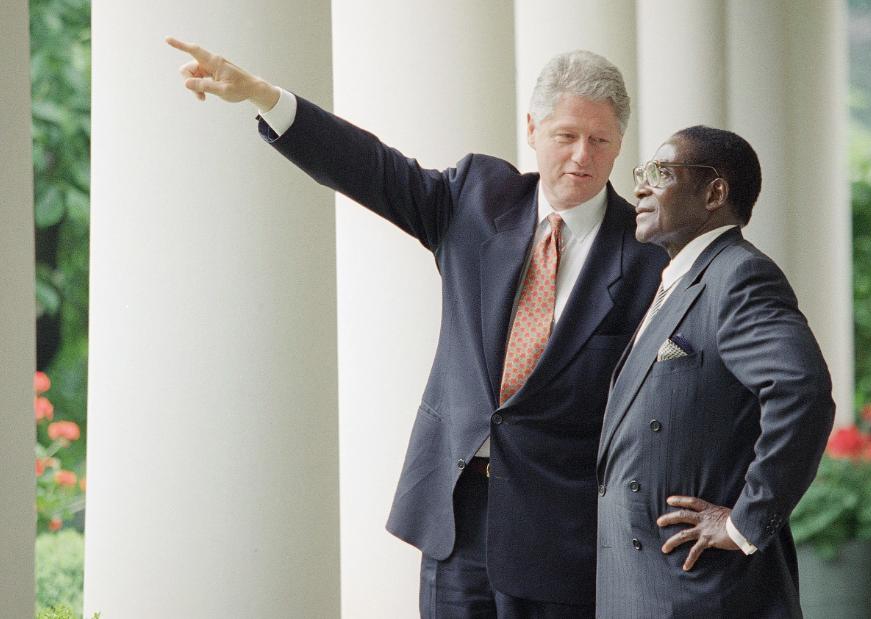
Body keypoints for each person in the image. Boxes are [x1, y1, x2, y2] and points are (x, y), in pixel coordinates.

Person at [167, 38, 666, 618]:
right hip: (455, 513)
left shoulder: (648, 257)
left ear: (619, 147)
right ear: (532, 128)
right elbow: (371, 168)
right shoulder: (478, 197)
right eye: (567, 136)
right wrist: (263, 97)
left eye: (600, 141)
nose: (582, 156)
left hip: (563, 530)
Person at [595, 126, 835, 618]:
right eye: (642, 174)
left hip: (697, 592)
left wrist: (745, 522)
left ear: (714, 192)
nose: (640, 187)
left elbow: (801, 389)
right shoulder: (680, 282)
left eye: (660, 173)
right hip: (645, 585)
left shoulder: (739, 275)